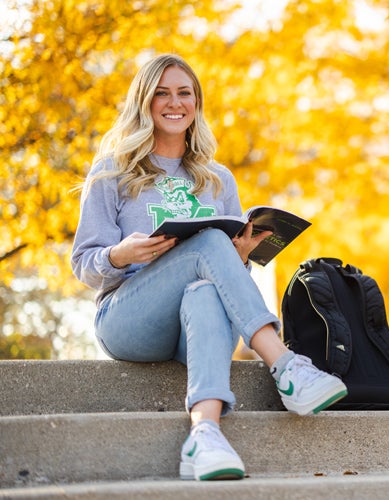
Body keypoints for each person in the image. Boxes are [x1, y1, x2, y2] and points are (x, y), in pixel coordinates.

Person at [71, 54, 348, 481]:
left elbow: (227, 275)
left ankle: (204, 436)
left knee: (205, 284)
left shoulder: (217, 179)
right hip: (127, 319)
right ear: (143, 102)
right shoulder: (112, 171)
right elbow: (83, 264)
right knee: (210, 244)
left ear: (197, 103)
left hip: (194, 326)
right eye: (161, 92)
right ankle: (284, 365)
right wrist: (120, 255)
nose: (174, 102)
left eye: (184, 93)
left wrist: (242, 256)